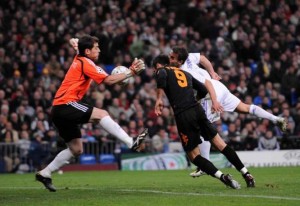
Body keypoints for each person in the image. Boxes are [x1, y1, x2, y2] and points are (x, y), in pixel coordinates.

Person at [35, 35, 148, 192]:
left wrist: (74, 42)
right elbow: (109, 81)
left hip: (58, 109)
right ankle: (131, 142)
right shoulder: (86, 63)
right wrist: (131, 72)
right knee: (101, 114)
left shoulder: (80, 57)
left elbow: (74, 41)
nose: (99, 49)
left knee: (76, 149)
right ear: (87, 51)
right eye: (96, 47)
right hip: (66, 104)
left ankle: (45, 173)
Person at [168, 47, 287, 177]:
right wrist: (212, 73)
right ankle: (276, 119)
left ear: (180, 61)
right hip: (219, 86)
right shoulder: (188, 57)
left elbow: (206, 84)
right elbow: (202, 58)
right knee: (245, 108)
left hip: (211, 93)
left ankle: (204, 166)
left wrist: (214, 101)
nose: (170, 59)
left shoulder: (183, 71)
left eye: (172, 58)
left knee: (204, 129)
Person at [153, 54, 255, 189]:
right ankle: (246, 174)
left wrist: (159, 99)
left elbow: (160, 77)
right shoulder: (184, 72)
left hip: (184, 114)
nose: (156, 72)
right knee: (220, 144)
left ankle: (223, 177)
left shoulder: (162, 71)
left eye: (155, 69)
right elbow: (203, 89)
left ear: (159, 65)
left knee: (194, 155)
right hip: (198, 109)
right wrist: (194, 100)